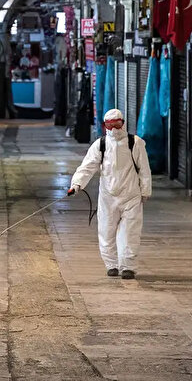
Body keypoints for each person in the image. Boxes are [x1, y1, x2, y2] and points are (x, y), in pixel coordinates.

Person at [68, 108, 151, 279]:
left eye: (117, 124)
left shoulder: (135, 143)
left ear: (123, 123)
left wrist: (145, 190)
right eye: (109, 125)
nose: (113, 129)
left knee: (130, 232)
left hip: (131, 195)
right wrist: (76, 184)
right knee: (106, 230)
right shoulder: (101, 144)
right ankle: (111, 264)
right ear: (104, 125)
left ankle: (128, 266)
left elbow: (144, 169)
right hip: (108, 196)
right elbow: (88, 166)